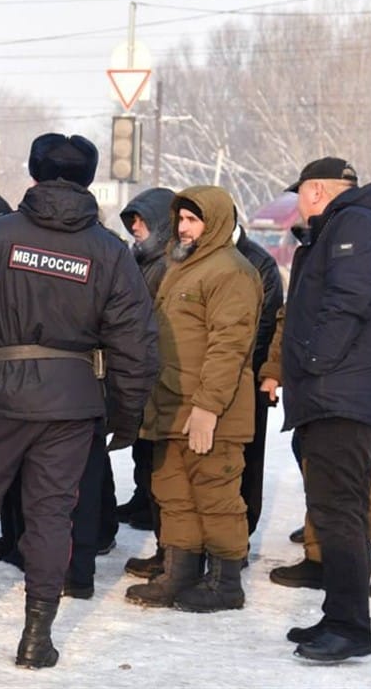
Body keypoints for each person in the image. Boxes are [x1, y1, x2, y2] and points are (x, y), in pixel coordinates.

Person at [0, 133, 157, 669]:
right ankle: (35, 639)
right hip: (70, 405)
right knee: (51, 516)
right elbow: (136, 345)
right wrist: (125, 414)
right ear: (88, 179)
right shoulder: (110, 252)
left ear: (34, 171)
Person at [276, 157, 371, 663]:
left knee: (340, 513)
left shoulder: (355, 224)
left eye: (302, 194)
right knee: (333, 512)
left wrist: (311, 362)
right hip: (340, 392)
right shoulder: (352, 225)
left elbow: (347, 302)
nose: (300, 205)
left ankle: (351, 627)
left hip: (343, 394)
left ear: (316, 190)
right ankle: (339, 615)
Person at [124, 186, 262, 613]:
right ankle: (180, 573)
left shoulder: (231, 272)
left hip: (211, 411)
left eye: (193, 221)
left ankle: (225, 583)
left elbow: (229, 346)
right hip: (170, 404)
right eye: (180, 220)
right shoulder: (179, 267)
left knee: (216, 495)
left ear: (216, 223)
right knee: (174, 492)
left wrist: (207, 409)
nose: (183, 229)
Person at [117, 187, 176, 579]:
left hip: (161, 379)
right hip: (146, 377)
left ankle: (169, 550)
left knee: (165, 472)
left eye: (140, 220)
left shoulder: (166, 266)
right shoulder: (145, 262)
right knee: (148, 463)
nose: (134, 228)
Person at [234, 221, 284, 540]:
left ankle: (241, 532)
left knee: (248, 460)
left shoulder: (258, 261)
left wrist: (262, 372)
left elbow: (268, 322)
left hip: (248, 375)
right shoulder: (187, 254)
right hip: (202, 375)